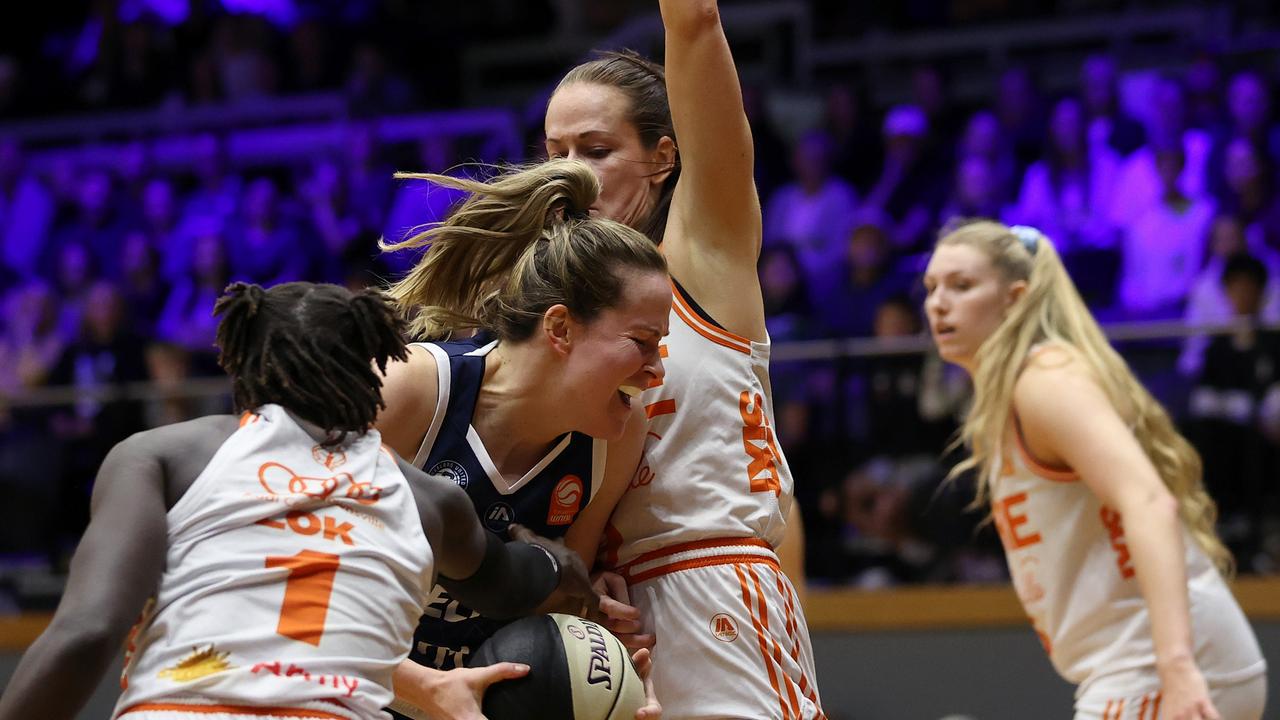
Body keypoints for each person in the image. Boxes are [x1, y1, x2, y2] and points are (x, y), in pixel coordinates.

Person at [0, 282, 599, 720]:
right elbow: (509, 581)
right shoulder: (429, 499)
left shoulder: (167, 454)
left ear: (242, 363)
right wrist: (558, 563)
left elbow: (88, 631)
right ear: (371, 375)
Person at [541, 2, 825, 716]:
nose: (570, 174)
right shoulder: (547, 313)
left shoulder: (703, 259)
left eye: (596, 151)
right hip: (603, 620)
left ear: (664, 158)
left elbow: (695, 22)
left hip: (713, 586)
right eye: (555, 154)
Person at [921, 219, 1267, 719]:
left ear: (1015, 299)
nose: (938, 303)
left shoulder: (1044, 382)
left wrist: (1177, 667)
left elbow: (1149, 501)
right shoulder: (1013, 394)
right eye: (931, 288)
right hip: (1148, 661)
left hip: (1160, 662)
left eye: (961, 286)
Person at [376, 158, 669, 720]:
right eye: (642, 341)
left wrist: (611, 681)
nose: (658, 370)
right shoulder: (409, 387)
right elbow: (282, 579)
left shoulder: (617, 436)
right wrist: (422, 687)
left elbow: (555, 613)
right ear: (559, 328)